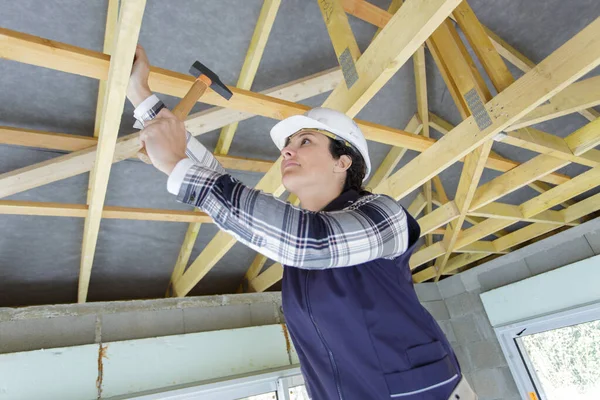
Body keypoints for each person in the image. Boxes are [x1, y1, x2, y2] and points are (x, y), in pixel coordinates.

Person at [127, 46, 477, 400]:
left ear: (343, 161)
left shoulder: (385, 215)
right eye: (289, 144)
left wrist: (175, 163)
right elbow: (216, 181)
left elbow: (309, 242)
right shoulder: (299, 233)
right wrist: (141, 96)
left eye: (304, 141)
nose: (286, 150)